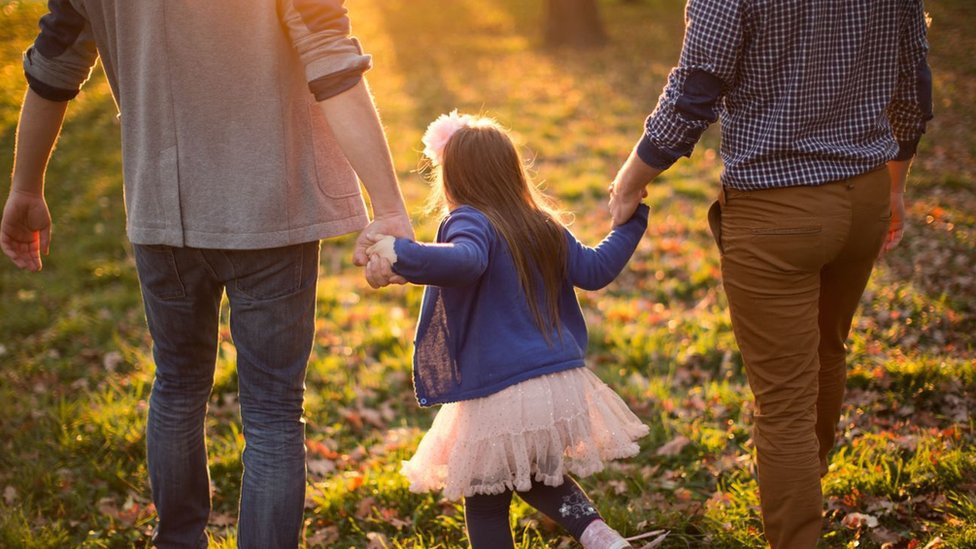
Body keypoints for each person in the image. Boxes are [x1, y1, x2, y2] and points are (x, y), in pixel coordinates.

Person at [1, 1, 412, 547]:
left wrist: (26, 188)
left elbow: (52, 69)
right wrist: (388, 206)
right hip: (272, 209)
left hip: (161, 211)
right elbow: (332, 59)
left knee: (176, 383)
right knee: (272, 412)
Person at [607, 1, 933, 547]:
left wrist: (629, 179)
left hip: (776, 210)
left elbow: (695, 89)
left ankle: (796, 530)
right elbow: (912, 87)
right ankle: (806, 483)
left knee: (783, 401)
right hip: (866, 193)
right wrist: (896, 184)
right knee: (828, 351)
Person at [364, 111, 650, 549]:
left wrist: (399, 251)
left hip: (500, 387)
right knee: (537, 474)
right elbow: (595, 269)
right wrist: (632, 223)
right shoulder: (541, 223)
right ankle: (600, 537)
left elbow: (468, 261)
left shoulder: (469, 220)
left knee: (483, 497)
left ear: (453, 178)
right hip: (555, 381)